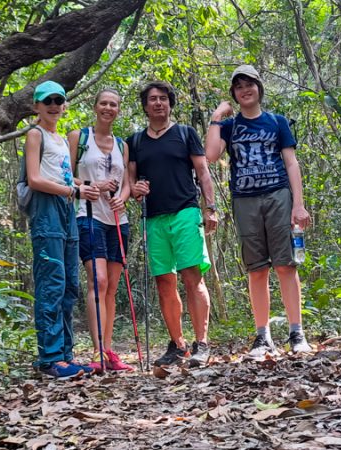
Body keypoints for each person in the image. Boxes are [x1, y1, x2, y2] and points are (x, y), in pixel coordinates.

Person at [204, 64, 313, 358]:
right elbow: (211, 156)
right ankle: (262, 336)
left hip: (278, 195)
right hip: (245, 200)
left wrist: (298, 204)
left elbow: (291, 163)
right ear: (234, 94)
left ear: (259, 87)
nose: (245, 90)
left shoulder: (276, 122)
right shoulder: (229, 127)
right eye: (238, 86)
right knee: (257, 268)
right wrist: (216, 117)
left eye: (249, 84)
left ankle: (296, 332)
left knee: (285, 265)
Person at [127, 81, 218, 368]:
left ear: (170, 104)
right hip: (153, 218)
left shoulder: (184, 133)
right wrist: (135, 189)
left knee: (193, 277)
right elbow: (129, 182)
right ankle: (177, 344)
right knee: (164, 281)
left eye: (163, 99)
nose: (158, 103)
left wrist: (211, 207)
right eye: (152, 99)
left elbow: (203, 172)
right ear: (145, 106)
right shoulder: (135, 142)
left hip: (185, 213)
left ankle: (201, 343)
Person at [25, 80, 101, 380]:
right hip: (47, 211)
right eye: (48, 102)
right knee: (52, 282)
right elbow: (34, 179)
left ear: (65, 105)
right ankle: (50, 357)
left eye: (59, 100)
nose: (54, 106)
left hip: (66, 211)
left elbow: (64, 178)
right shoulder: (35, 134)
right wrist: (75, 193)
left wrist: (85, 186)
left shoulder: (58, 138)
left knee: (70, 283)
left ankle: (66, 355)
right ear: (37, 107)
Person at [67, 88, 134, 372]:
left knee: (112, 287)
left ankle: (109, 350)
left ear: (118, 110)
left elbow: (128, 181)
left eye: (114, 104)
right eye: (104, 103)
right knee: (99, 281)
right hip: (88, 215)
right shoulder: (78, 138)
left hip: (118, 220)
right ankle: (97, 352)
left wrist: (124, 196)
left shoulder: (122, 145)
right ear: (95, 107)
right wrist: (87, 187)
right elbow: (65, 175)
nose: (108, 108)